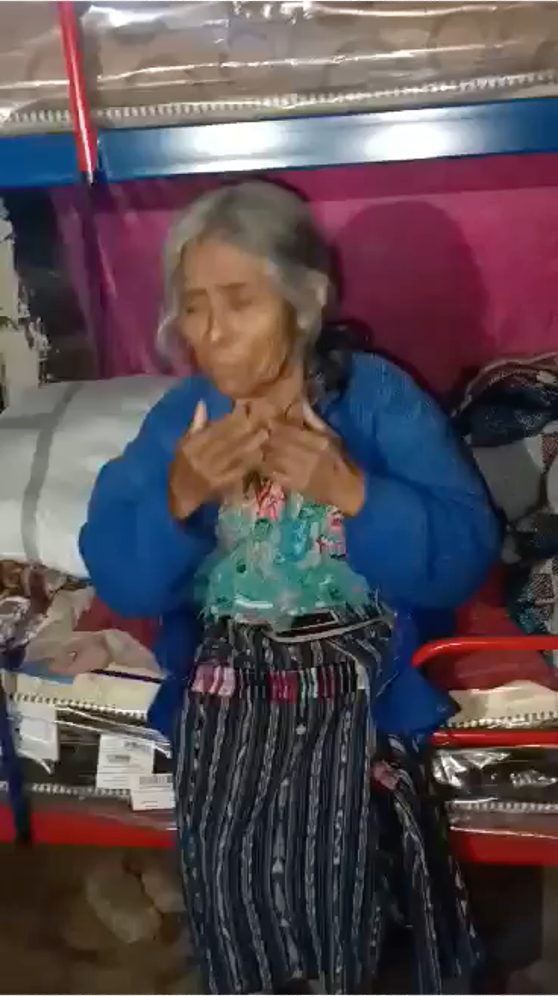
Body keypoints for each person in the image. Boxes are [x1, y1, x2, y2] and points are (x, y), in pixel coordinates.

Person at [80, 180, 499, 996]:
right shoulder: (183, 420)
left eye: (240, 300)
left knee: (339, 874)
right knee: (227, 874)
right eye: (195, 305)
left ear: (304, 300)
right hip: (226, 685)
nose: (212, 330)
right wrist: (178, 499)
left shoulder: (375, 400)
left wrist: (357, 495)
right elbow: (119, 572)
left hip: (353, 683)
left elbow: (464, 554)